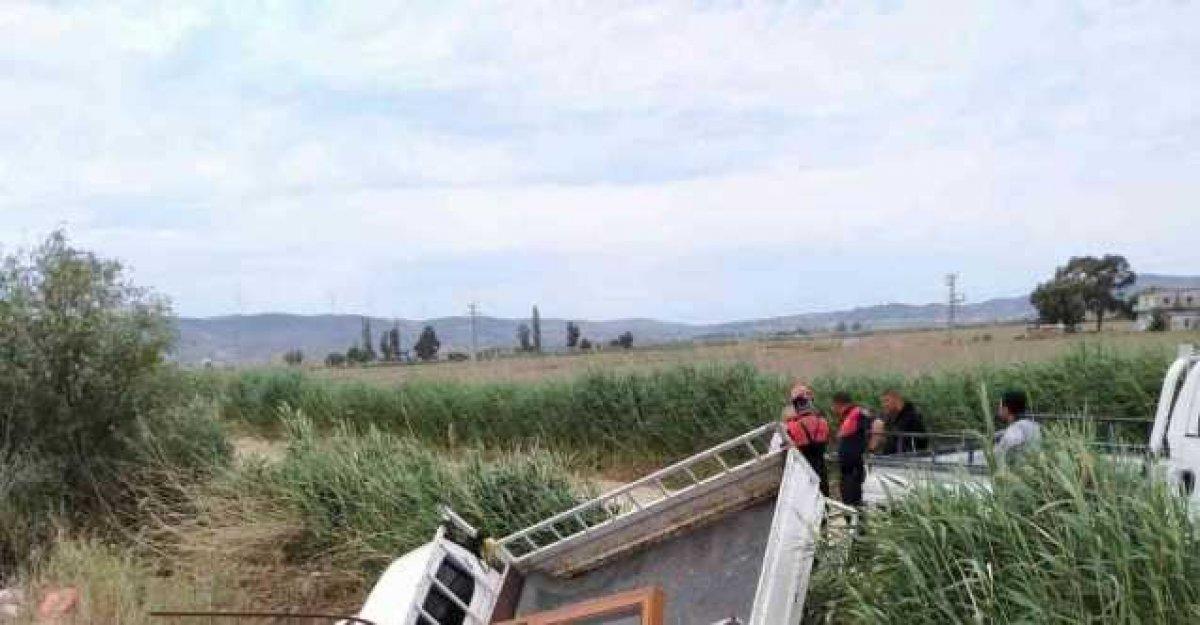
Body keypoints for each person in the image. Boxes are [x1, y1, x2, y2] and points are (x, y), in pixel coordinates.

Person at [781, 382, 831, 496]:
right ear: (811, 402)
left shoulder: (791, 427)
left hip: (803, 474)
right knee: (824, 500)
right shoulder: (823, 422)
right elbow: (826, 440)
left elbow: (785, 451)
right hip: (821, 472)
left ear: (795, 405)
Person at [832, 391, 870, 507]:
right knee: (850, 499)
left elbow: (847, 434)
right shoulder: (853, 414)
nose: (833, 409)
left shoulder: (856, 414)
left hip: (852, 468)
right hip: (850, 466)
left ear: (839, 404)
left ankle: (855, 523)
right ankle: (854, 522)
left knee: (851, 501)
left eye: (834, 405)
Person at [870, 389, 928, 455]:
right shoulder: (894, 416)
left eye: (887, 401)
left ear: (897, 399)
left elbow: (901, 441)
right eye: (883, 402)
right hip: (893, 457)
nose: (884, 405)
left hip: (906, 458)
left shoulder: (911, 417)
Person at [994, 389, 1041, 460]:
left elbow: (1010, 442)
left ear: (1006, 409)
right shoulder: (1033, 425)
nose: (998, 409)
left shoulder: (1016, 429)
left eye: (999, 406)